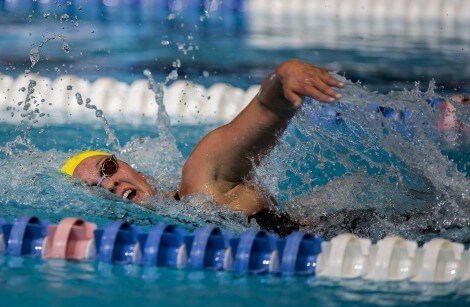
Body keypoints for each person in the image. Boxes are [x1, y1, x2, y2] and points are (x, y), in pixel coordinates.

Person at [61, 59, 344, 236]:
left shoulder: (198, 186)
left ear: (138, 172)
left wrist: (282, 80)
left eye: (107, 168)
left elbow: (266, 110)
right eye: (93, 188)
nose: (108, 184)